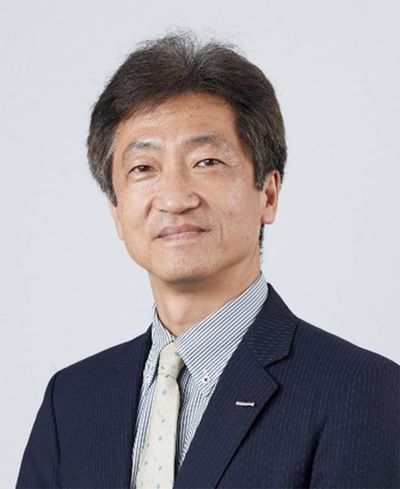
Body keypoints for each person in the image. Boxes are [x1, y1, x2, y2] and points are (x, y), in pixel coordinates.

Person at [17, 32, 399, 489]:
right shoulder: (72, 400)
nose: (175, 198)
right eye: (143, 168)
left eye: (207, 162)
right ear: (116, 210)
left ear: (269, 193)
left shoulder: (363, 392)